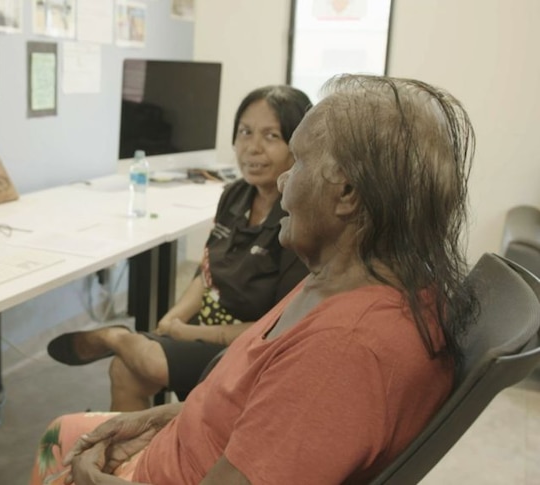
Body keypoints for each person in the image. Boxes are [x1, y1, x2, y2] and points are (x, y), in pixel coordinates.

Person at [30, 74, 478, 484]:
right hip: (182, 444)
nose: (284, 181)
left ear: (347, 193)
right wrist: (166, 417)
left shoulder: (344, 348)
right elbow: (255, 406)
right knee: (64, 427)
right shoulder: (347, 278)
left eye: (298, 161)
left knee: (60, 444)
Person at [47, 86, 312, 411]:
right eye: (245, 132)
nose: (252, 148)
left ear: (298, 146)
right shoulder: (235, 195)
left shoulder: (299, 219)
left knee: (147, 361)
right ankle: (134, 460)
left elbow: (278, 326)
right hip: (204, 326)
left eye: (271, 136)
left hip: (252, 346)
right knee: (125, 369)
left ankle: (116, 337)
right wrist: (171, 319)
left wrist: (186, 334)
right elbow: (207, 274)